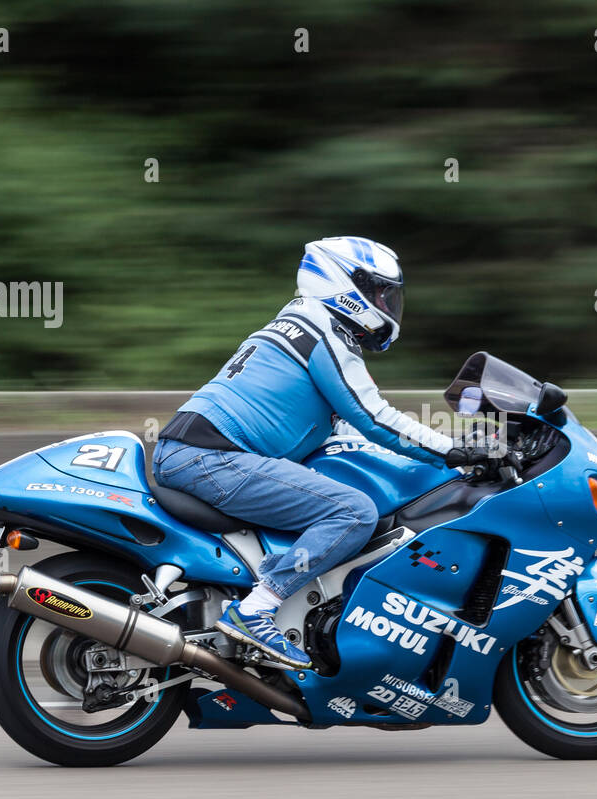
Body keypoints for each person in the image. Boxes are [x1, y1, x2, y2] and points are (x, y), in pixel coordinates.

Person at [152, 236, 490, 668]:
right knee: (353, 512)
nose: (385, 304)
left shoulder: (299, 322)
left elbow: (352, 431)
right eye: (377, 292)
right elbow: (376, 418)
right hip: (211, 456)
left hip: (197, 451)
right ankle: (256, 610)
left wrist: (430, 454)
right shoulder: (323, 331)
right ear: (343, 284)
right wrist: (457, 451)